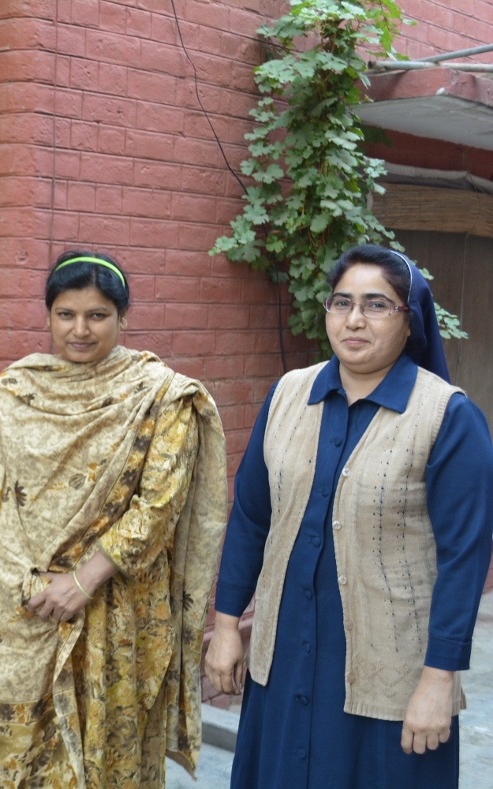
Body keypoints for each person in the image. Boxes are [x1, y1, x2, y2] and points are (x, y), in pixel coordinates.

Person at [205, 244, 493, 788]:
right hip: (286, 655)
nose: (354, 319)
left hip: (392, 676)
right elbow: (249, 517)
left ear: (410, 323)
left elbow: (464, 559)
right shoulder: (290, 395)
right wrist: (226, 627)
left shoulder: (447, 418)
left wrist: (438, 681)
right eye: (341, 303)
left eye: (377, 305)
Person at [0, 251, 228, 787]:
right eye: (66, 314)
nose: (79, 330)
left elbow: (158, 506)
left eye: (97, 315)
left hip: (116, 606)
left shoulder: (159, 396)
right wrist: (34, 587)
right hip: (26, 607)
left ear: (123, 318)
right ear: (49, 316)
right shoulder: (16, 392)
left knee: (111, 756)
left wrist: (83, 581)